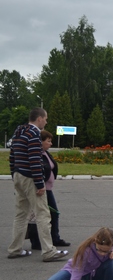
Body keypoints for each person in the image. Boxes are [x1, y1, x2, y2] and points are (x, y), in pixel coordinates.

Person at [7, 107, 69, 262]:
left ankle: (15, 248)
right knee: (43, 214)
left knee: (21, 214)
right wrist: (39, 183)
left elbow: (12, 155)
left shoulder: (18, 131)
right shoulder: (34, 134)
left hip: (18, 174)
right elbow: (35, 159)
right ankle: (48, 251)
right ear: (39, 118)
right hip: (30, 176)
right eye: (45, 119)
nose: (46, 122)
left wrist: (13, 174)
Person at [26, 130, 70, 249]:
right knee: (39, 215)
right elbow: (36, 171)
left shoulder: (46, 153)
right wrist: (40, 184)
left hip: (48, 188)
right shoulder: (37, 154)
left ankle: (54, 238)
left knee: (52, 214)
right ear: (40, 142)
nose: (50, 144)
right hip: (41, 189)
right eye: (48, 141)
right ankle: (37, 242)